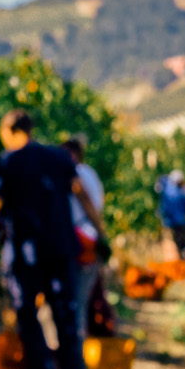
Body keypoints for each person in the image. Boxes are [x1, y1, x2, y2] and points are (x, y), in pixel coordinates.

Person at [0, 110, 95, 369]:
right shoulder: (57, 157)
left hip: (27, 252)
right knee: (65, 311)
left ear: (8, 130)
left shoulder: (8, 161)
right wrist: (100, 233)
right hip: (61, 247)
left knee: (28, 313)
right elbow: (81, 193)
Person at [62, 134, 107, 346]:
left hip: (81, 242)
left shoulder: (76, 174)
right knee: (82, 301)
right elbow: (97, 206)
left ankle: (75, 358)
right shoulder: (91, 173)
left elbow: (86, 202)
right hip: (91, 240)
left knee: (75, 304)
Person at [158, 170, 185, 263]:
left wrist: (164, 220)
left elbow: (163, 209)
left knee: (180, 242)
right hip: (184, 221)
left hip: (173, 222)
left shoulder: (167, 192)